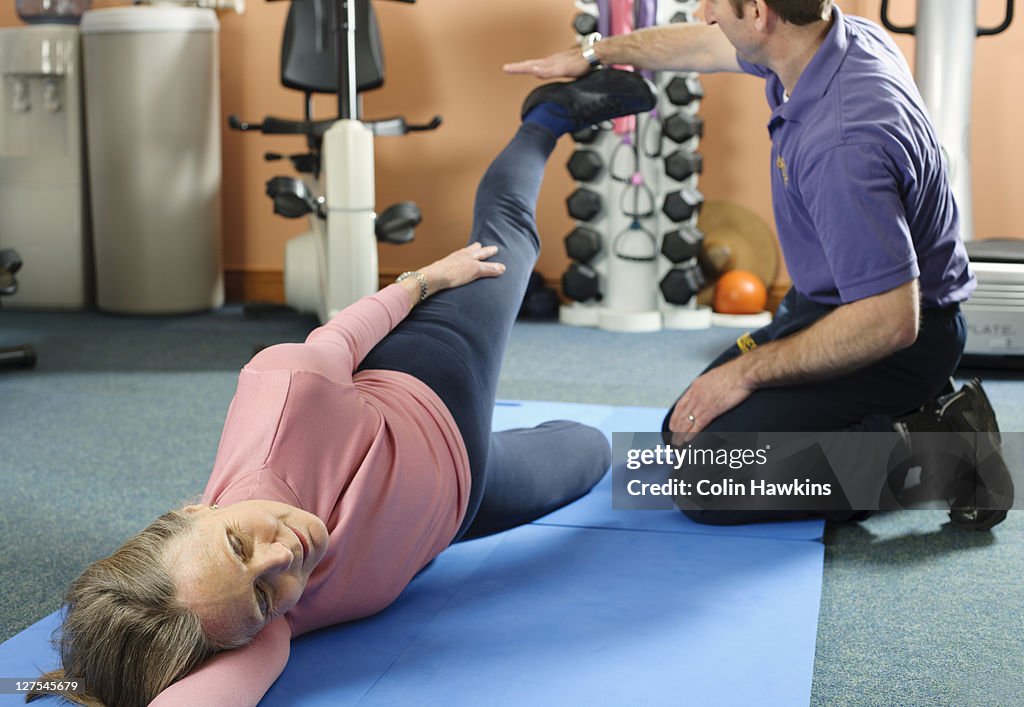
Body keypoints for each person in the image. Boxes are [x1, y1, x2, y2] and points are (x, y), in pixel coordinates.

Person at [26, 69, 657, 707]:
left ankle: (545, 117)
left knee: (508, 241)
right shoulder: (253, 620)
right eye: (263, 594)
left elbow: (341, 338)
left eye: (239, 544)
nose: (282, 560)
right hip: (461, 503)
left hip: (430, 380)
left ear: (192, 512)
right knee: (594, 451)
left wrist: (425, 280)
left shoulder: (285, 395)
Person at [506, 0, 1013, 529]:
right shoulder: (826, 41)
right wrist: (593, 53)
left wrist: (744, 374)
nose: (703, 13)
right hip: (826, 306)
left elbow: (891, 322)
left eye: (713, 3)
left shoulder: (845, 140)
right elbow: (701, 45)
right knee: (681, 431)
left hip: (895, 336)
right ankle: (899, 419)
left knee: (707, 481)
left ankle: (937, 448)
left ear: (758, 13)